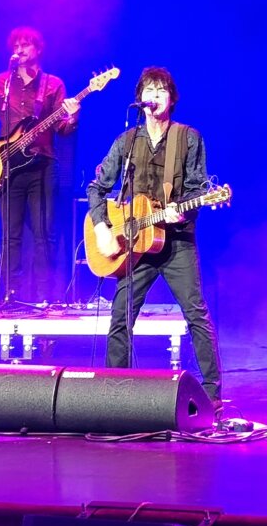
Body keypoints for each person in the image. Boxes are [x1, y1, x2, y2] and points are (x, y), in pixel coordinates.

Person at [87, 66, 223, 410]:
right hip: (134, 243)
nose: (156, 94)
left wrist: (186, 210)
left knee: (195, 311)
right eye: (150, 89)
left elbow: (197, 189)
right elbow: (97, 188)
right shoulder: (127, 142)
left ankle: (212, 395)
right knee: (120, 314)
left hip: (175, 240)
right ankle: (114, 393)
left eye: (162, 89)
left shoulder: (188, 137)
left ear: (172, 98)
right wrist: (103, 228)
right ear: (141, 99)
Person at [0, 27, 80, 305]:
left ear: (38, 49)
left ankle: (44, 296)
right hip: (6, 166)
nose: (20, 50)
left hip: (41, 165)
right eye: (17, 45)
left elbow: (62, 129)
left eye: (26, 45)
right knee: (11, 235)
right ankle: (12, 296)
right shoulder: (2, 83)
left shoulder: (53, 84)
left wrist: (71, 118)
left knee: (44, 232)